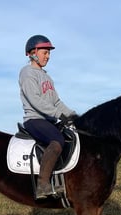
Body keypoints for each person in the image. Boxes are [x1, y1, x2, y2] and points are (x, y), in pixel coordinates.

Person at [19, 35, 78, 199]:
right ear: (33, 53)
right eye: (45, 52)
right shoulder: (27, 73)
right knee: (57, 141)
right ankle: (43, 185)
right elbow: (35, 100)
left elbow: (57, 102)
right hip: (35, 120)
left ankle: (60, 183)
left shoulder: (47, 77)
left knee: (69, 138)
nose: (48, 56)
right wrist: (58, 115)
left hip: (49, 120)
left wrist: (73, 116)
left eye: (49, 53)